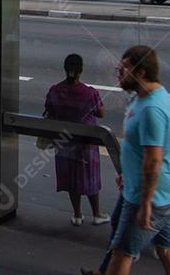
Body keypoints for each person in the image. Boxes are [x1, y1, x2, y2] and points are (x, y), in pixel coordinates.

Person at [82, 45, 170, 275]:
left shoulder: (152, 109)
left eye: (124, 68)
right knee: (169, 253)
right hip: (159, 192)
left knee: (121, 253)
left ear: (141, 73)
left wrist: (146, 203)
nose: (118, 72)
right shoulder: (146, 97)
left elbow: (153, 160)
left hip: (149, 197)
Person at [44, 54, 108, 226]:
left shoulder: (55, 90)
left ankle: (77, 215)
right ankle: (96, 214)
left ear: (65, 69)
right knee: (90, 177)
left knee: (72, 177)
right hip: (85, 144)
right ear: (81, 70)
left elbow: (49, 111)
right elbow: (101, 113)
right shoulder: (90, 93)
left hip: (64, 143)